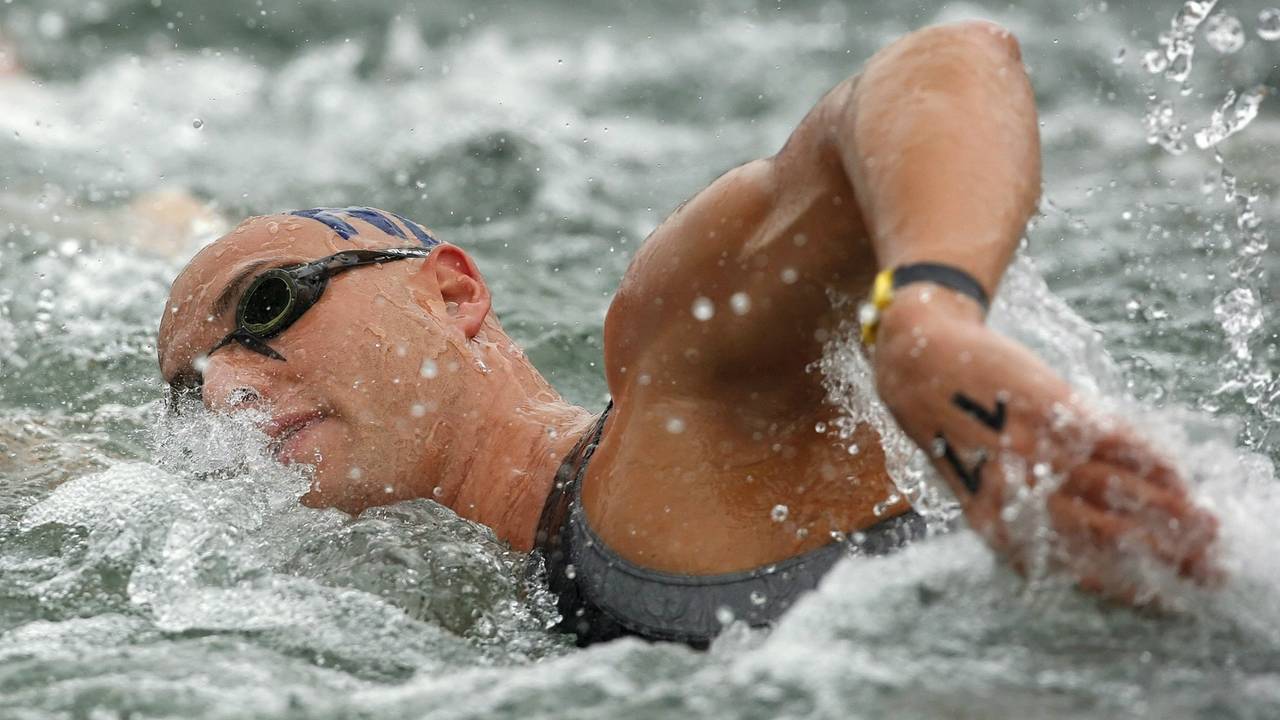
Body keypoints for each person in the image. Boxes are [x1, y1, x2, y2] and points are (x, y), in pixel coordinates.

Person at [156, 21, 1219, 647]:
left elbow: (944, 63)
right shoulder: (483, 575)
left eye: (265, 309)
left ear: (451, 293)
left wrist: (929, 320)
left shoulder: (683, 398)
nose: (223, 391)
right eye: (187, 385)